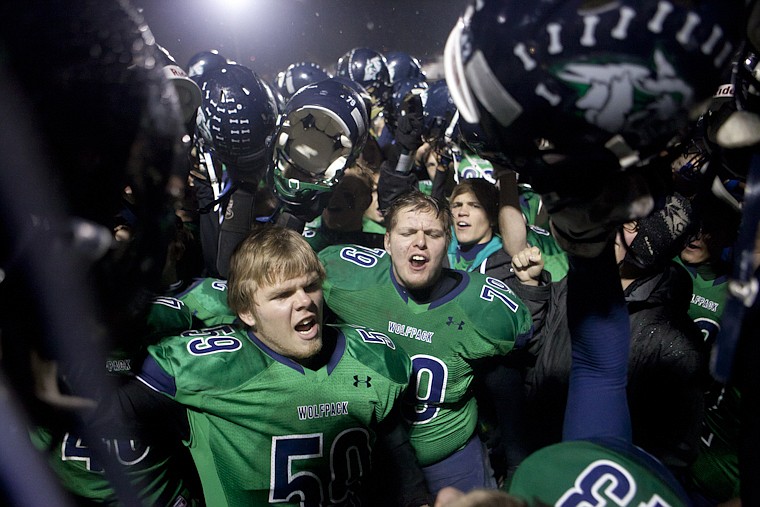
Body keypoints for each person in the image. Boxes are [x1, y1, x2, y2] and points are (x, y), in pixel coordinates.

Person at [73, 226, 429, 506]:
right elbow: (106, 411)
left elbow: (392, 452)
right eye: (283, 295)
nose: (304, 301)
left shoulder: (371, 356)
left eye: (310, 286)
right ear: (247, 311)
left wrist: (416, 501)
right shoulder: (210, 369)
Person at [319, 190, 533, 494]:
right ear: (387, 241)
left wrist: (517, 462)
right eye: (407, 232)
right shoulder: (347, 279)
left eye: (432, 233)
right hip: (369, 461)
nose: (420, 241)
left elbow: (505, 385)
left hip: (452, 458)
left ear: (447, 242)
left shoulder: (480, 307)